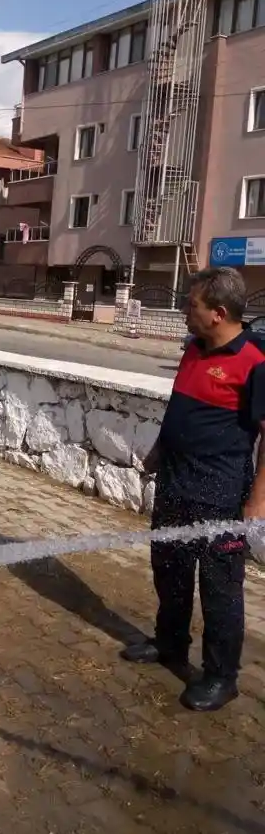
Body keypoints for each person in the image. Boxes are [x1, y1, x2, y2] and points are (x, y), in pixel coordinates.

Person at [121, 267, 265, 712]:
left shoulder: (255, 363)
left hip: (220, 491)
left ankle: (222, 676)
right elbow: (180, 408)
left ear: (218, 314)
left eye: (192, 304)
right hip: (176, 482)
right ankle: (170, 642)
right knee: (169, 568)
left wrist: (256, 503)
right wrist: (160, 451)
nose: (185, 309)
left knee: (220, 587)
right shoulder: (192, 349)